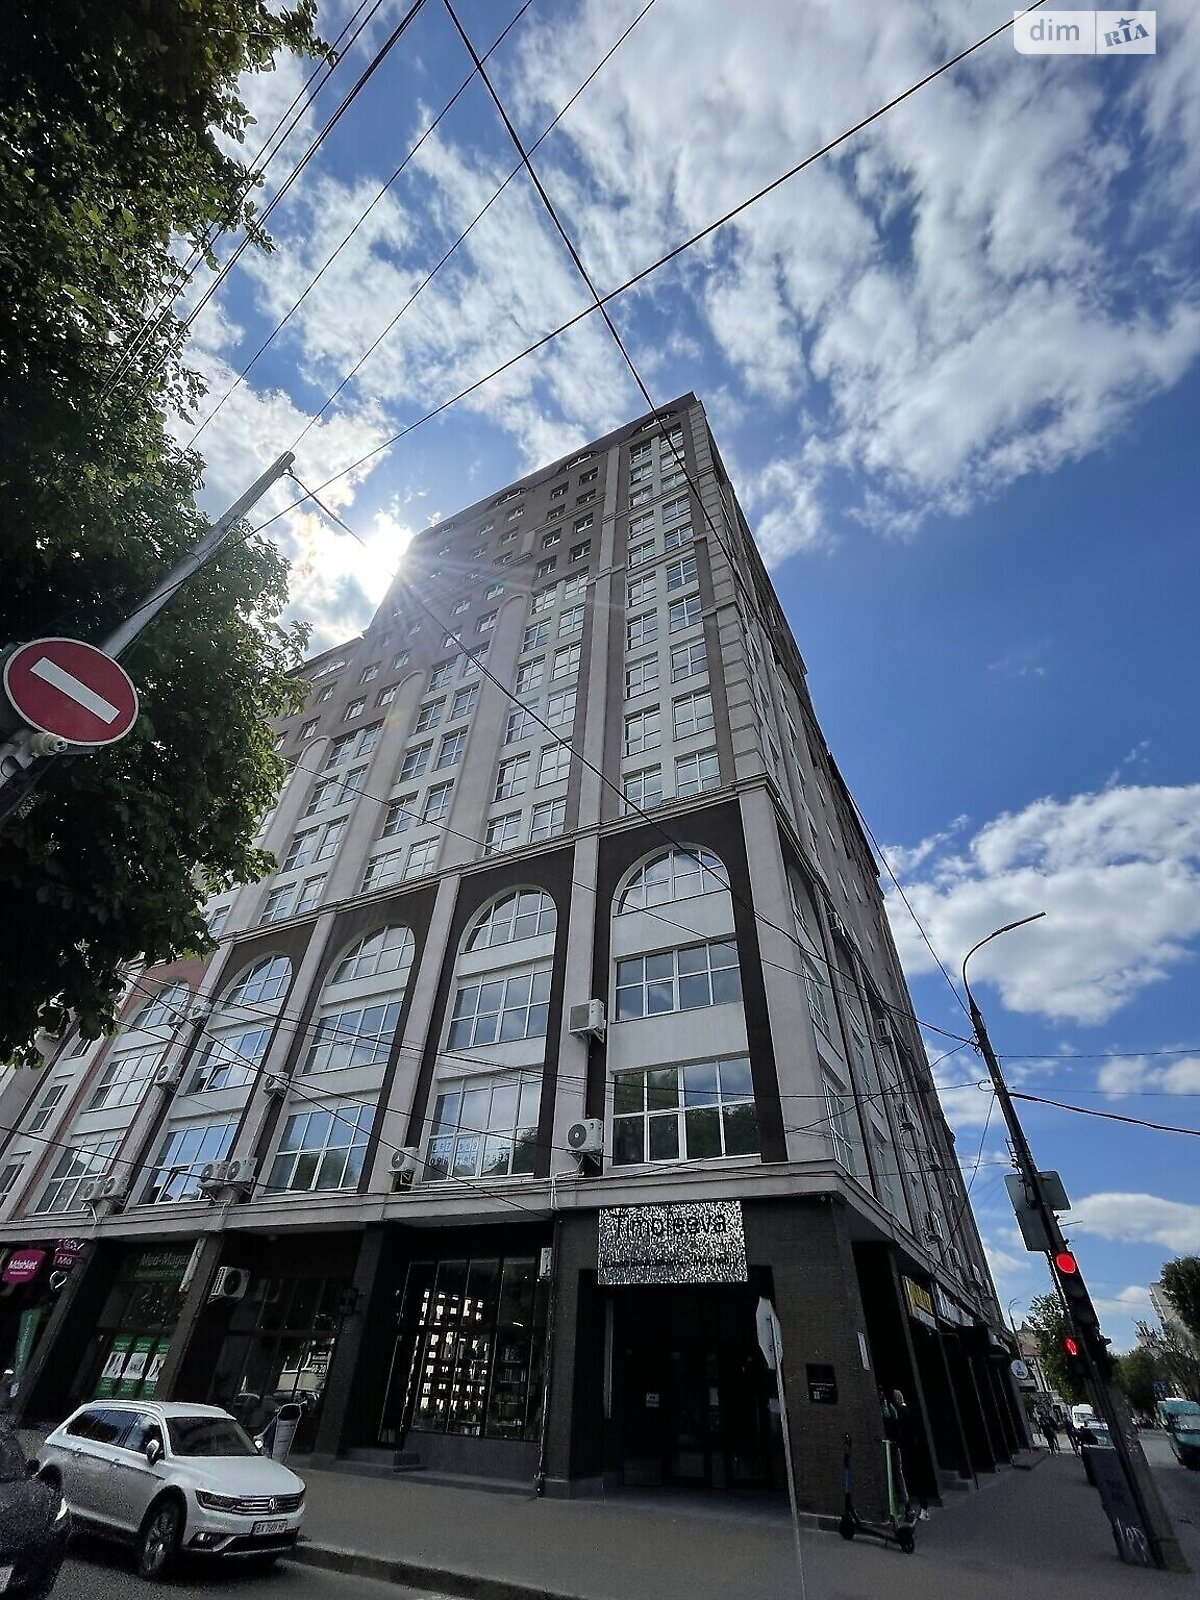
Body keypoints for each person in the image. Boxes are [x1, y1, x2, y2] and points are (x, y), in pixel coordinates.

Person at [891, 1389, 930, 1520]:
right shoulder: (908, 1411)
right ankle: (923, 1507)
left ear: (897, 1400)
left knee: (917, 1478)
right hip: (915, 1450)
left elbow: (906, 1432)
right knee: (918, 1478)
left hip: (912, 1451)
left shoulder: (903, 1412)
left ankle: (924, 1508)